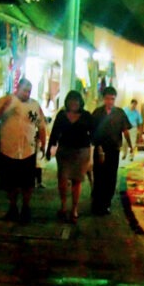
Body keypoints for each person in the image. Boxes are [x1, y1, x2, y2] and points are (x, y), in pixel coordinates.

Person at [0, 78, 47, 223]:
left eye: (29, 91)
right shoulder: (7, 100)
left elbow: (41, 125)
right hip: (9, 148)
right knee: (10, 182)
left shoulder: (34, 105)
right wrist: (5, 108)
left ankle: (26, 208)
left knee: (27, 183)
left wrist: (43, 145)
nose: (26, 94)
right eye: (24, 90)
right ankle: (13, 207)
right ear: (18, 88)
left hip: (28, 149)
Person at [48, 89, 93, 223]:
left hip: (81, 152)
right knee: (62, 180)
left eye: (76, 101)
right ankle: (63, 206)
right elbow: (55, 132)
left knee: (76, 181)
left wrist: (95, 152)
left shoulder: (86, 116)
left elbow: (93, 134)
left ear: (80, 102)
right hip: (64, 151)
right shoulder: (62, 115)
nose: (74, 103)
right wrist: (50, 148)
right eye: (71, 100)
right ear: (67, 102)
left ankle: (74, 208)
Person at [89, 86, 132, 215]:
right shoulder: (97, 113)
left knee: (111, 176)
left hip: (113, 150)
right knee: (99, 175)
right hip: (99, 150)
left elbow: (125, 131)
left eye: (112, 99)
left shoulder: (120, 113)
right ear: (104, 99)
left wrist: (130, 146)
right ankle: (97, 202)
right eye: (107, 99)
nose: (110, 102)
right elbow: (91, 132)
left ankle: (107, 202)